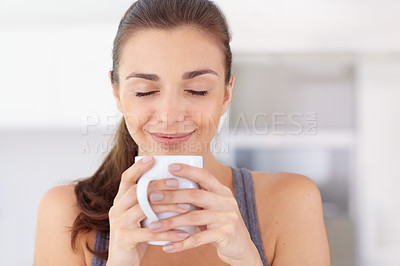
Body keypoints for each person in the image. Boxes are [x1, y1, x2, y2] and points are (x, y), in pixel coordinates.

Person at [33, 0, 331, 265]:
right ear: (117, 92)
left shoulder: (290, 202)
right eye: (145, 91)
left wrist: (247, 260)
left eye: (197, 90)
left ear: (226, 93)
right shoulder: (66, 214)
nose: (170, 115)